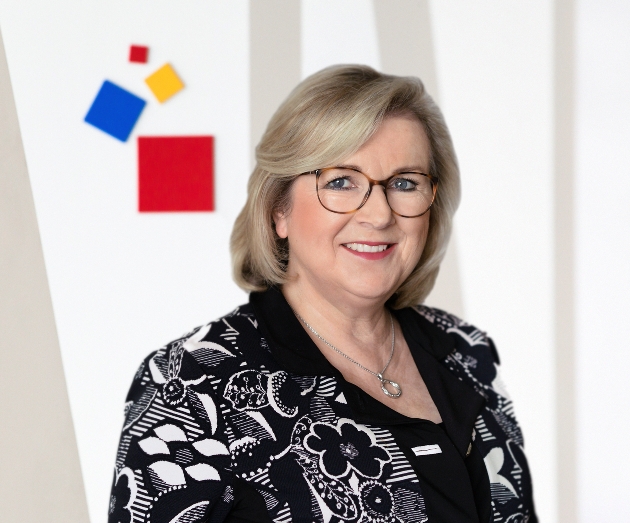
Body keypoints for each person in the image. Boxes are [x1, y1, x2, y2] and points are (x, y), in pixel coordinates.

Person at [108, 65, 537, 523]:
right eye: (340, 182)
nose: (378, 214)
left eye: (405, 183)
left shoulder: (466, 351)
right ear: (279, 211)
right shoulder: (191, 381)